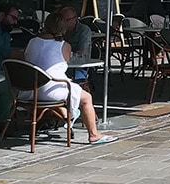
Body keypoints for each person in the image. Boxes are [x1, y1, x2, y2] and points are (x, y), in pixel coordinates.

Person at [21, 14, 114, 144]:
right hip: (51, 91)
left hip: (28, 90)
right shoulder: (63, 45)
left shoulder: (32, 42)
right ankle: (93, 134)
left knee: (63, 94)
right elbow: (66, 61)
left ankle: (67, 113)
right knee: (86, 98)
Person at [57, 5, 94, 85]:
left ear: (75, 19)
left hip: (77, 67)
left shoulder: (84, 30)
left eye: (66, 20)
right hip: (59, 65)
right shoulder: (57, 30)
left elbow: (83, 53)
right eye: (61, 20)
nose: (62, 23)